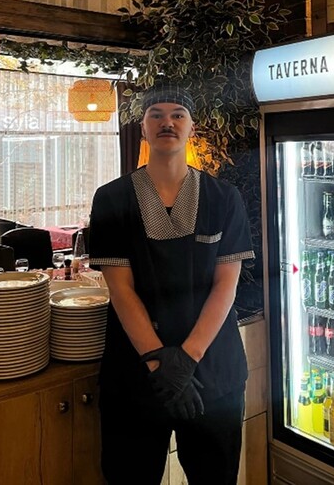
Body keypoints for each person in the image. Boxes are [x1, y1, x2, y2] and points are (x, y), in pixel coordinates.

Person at [89, 81, 255, 485]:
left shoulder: (223, 197)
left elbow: (225, 287)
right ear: (142, 128)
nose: (168, 122)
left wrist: (186, 359)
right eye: (156, 115)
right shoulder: (112, 199)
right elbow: (121, 289)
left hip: (213, 371)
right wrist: (160, 363)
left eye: (178, 114)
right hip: (137, 374)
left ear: (191, 128)